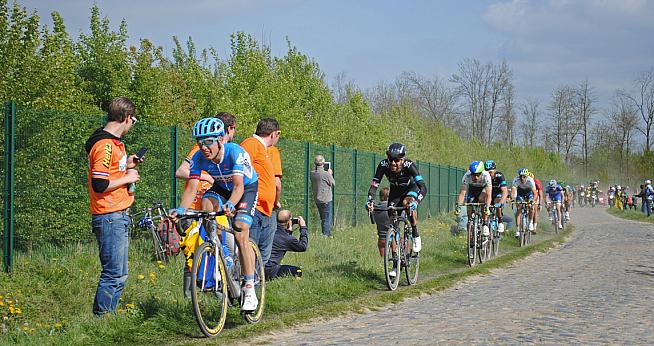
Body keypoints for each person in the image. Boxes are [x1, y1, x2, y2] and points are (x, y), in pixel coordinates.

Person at [171, 117, 259, 311]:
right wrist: (181, 210)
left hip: (245, 188)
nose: (203, 147)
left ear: (220, 139)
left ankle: (250, 287)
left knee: (240, 231)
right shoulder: (199, 158)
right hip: (221, 187)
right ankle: (219, 251)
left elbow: (238, 187)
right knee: (206, 206)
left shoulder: (235, 153)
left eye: (208, 142)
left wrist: (230, 205)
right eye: (199, 142)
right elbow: (192, 187)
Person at [85, 96, 142, 316]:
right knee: (113, 274)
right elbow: (99, 184)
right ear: (126, 118)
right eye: (133, 121)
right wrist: (128, 178)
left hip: (116, 213)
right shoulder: (104, 145)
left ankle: (107, 318)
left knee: (119, 274)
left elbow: (109, 173)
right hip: (109, 214)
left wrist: (127, 166)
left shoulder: (114, 144)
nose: (131, 125)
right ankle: (103, 320)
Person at [175, 112, 234, 297]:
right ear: (227, 130)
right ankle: (191, 296)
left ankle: (222, 290)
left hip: (215, 204)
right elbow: (181, 171)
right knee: (193, 252)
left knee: (223, 247)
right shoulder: (200, 151)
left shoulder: (227, 152)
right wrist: (207, 176)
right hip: (195, 206)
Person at [366, 143, 426, 256]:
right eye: (390, 159)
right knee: (392, 220)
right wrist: (370, 200)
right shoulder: (383, 165)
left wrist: (416, 202)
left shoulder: (409, 165)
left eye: (396, 160)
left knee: (406, 203)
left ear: (402, 160)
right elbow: (374, 184)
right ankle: (395, 259)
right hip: (395, 191)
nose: (393, 163)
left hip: (411, 189)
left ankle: (415, 233)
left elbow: (423, 187)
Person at [241, 118, 282, 265]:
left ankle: (256, 283)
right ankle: (247, 284)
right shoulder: (251, 144)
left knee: (261, 254)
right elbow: (239, 170)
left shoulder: (264, 149)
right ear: (274, 134)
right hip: (254, 207)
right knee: (250, 250)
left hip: (265, 208)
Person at [265, 210, 308, 280]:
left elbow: (282, 241)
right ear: (289, 221)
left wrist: (289, 231)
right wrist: (303, 228)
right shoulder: (287, 238)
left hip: (259, 268)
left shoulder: (269, 230)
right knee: (298, 270)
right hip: (271, 271)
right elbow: (303, 246)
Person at [455, 161, 493, 237]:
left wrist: (487, 207)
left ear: (482, 173)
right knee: (469, 203)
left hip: (482, 190)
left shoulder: (486, 176)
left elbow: (489, 195)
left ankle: (485, 224)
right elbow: (462, 193)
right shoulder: (466, 176)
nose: (476, 177)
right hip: (472, 190)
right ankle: (471, 227)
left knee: (482, 199)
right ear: (470, 173)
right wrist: (458, 206)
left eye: (478, 175)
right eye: (474, 175)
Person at [311, 155, 335, 237]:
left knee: (323, 218)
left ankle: (326, 233)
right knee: (326, 218)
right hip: (326, 199)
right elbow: (332, 183)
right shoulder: (326, 174)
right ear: (323, 163)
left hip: (317, 199)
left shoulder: (312, 174)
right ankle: (325, 235)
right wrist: (330, 174)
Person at [510, 168, 537, 238]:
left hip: (529, 193)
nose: (522, 178)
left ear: (527, 176)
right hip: (520, 193)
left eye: (524, 176)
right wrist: (513, 199)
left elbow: (535, 193)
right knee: (519, 208)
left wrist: (533, 200)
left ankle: (530, 222)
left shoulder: (530, 180)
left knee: (531, 207)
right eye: (521, 176)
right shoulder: (516, 180)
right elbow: (513, 191)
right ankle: (518, 230)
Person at [485, 160, 507, 234]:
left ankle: (500, 221)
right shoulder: (484, 176)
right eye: (487, 172)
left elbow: (505, 191)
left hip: (498, 194)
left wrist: (501, 203)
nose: (489, 174)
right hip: (489, 194)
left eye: (490, 172)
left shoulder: (499, 176)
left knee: (497, 204)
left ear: (495, 170)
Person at [372, 187, 393, 256]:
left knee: (383, 260)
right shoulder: (392, 208)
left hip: (381, 238)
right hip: (393, 238)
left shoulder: (375, 208)